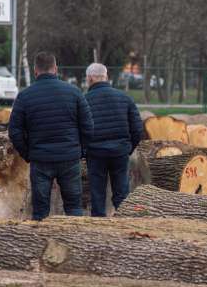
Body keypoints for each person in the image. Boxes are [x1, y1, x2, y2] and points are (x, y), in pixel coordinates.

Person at [8, 52, 94, 220]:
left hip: (40, 159)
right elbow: (88, 127)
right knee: (74, 208)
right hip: (69, 157)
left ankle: (40, 242)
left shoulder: (25, 96)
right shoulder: (74, 93)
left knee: (40, 211)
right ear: (56, 69)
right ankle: (76, 242)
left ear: (35, 71)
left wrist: (28, 153)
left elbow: (15, 131)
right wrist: (81, 150)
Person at [84, 63, 143, 217]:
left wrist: (85, 150)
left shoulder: (84, 100)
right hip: (119, 152)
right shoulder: (124, 98)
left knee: (97, 195)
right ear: (106, 77)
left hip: (95, 153)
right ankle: (125, 226)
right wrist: (127, 148)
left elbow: (79, 130)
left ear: (89, 79)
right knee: (121, 195)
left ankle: (98, 230)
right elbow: (137, 129)